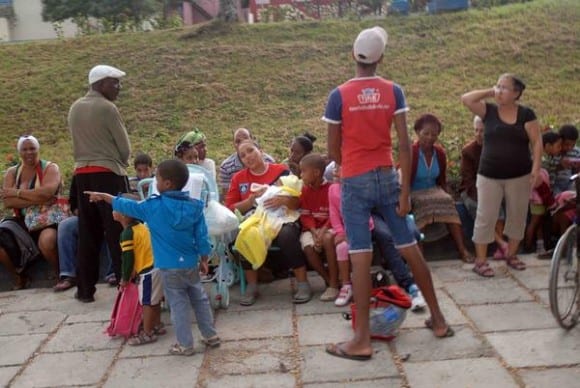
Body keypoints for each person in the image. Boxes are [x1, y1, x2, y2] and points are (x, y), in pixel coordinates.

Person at [323, 26, 452, 360]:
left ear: (354, 55)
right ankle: (438, 320)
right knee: (410, 248)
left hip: (354, 180)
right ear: (381, 58)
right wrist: (405, 191)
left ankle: (361, 339)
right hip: (388, 178)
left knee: (360, 256)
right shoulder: (394, 91)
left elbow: (332, 148)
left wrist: (347, 163)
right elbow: (404, 145)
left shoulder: (338, 95)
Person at [86, 159, 220, 356]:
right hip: (191, 263)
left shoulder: (153, 207)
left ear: (167, 184)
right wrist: (204, 258)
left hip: (168, 267)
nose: (154, 181)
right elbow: (201, 237)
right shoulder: (195, 207)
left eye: (156, 178)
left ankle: (185, 345)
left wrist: (105, 196)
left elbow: (128, 206)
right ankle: (210, 335)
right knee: (199, 299)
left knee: (178, 306)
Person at [461, 73, 542, 277]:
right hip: (489, 176)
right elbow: (467, 99)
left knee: (517, 215)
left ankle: (512, 255)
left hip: (519, 175)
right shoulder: (488, 111)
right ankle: (481, 261)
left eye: (505, 87)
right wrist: (490, 91)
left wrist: (536, 169)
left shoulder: (526, 115)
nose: (500, 90)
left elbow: (537, 142)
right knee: (485, 217)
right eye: (498, 86)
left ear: (516, 93)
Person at [68, 64, 131, 302]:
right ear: (101, 83)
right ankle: (125, 286)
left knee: (88, 234)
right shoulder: (107, 108)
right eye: (114, 82)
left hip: (82, 175)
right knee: (117, 230)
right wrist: (122, 162)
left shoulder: (74, 108)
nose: (118, 87)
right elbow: (123, 146)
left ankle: (85, 290)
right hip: (108, 173)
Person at [225, 140, 312, 306]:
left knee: (287, 235)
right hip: (257, 219)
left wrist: (283, 199)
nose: (247, 157)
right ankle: (252, 286)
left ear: (260, 150)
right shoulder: (238, 178)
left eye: (250, 151)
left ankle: (302, 282)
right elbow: (230, 208)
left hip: (284, 216)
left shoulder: (281, 171)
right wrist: (250, 201)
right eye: (242, 155)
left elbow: (299, 201)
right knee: (244, 234)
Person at [409, 113, 474, 263]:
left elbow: (442, 180)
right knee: (424, 205)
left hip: (433, 189)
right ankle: (419, 255)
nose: (430, 137)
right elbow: (404, 178)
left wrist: (447, 193)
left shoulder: (439, 153)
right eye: (426, 133)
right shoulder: (411, 152)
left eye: (434, 134)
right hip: (414, 190)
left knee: (448, 203)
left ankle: (462, 249)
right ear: (418, 132)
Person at [0, 135, 61, 289]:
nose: (29, 153)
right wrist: (38, 197)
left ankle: (59, 273)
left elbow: (48, 192)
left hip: (46, 219)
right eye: (25, 149)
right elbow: (8, 202)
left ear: (38, 149)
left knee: (47, 241)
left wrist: (17, 192)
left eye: (32, 148)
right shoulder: (12, 173)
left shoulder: (50, 168)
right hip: (21, 220)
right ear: (19, 152)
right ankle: (19, 277)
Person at [459, 116, 508, 260]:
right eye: (476, 130)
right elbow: (468, 180)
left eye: (482, 131)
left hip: (491, 190)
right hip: (471, 192)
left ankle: (500, 249)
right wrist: (483, 196)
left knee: (498, 210)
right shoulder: (468, 151)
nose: (478, 134)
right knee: (481, 213)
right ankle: (501, 244)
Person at [114, 209, 165, 346]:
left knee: (147, 302)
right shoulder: (142, 227)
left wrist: (125, 278)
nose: (112, 212)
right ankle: (157, 324)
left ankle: (147, 333)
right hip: (157, 266)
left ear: (123, 215)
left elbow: (128, 258)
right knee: (155, 299)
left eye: (115, 209)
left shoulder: (127, 234)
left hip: (148, 271)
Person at [298, 153, 339, 301]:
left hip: (330, 226)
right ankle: (328, 279)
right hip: (312, 229)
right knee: (308, 247)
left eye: (303, 171)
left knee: (328, 240)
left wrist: (322, 231)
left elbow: (333, 214)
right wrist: (315, 232)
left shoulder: (331, 188)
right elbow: (305, 215)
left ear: (316, 173)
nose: (301, 175)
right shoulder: (304, 190)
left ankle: (334, 283)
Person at [524, 131, 561, 253]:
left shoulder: (544, 159)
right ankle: (527, 247)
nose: (559, 149)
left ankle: (539, 245)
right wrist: (549, 201)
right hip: (538, 199)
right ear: (547, 146)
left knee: (538, 223)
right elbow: (540, 183)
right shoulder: (540, 161)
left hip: (538, 198)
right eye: (558, 146)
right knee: (534, 223)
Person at [219, 127, 275, 198]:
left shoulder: (268, 161)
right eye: (238, 141)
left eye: (245, 139)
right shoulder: (226, 167)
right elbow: (227, 196)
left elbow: (275, 189)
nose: (242, 143)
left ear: (251, 139)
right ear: (234, 144)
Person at [551, 124, 580, 194]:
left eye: (572, 145)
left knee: (574, 191)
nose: (569, 148)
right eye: (566, 144)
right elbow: (549, 169)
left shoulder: (576, 152)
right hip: (555, 183)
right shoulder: (554, 152)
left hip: (570, 182)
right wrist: (559, 166)